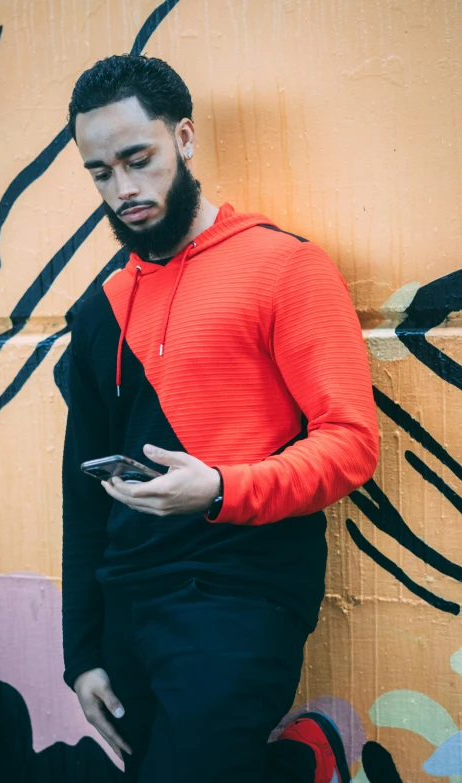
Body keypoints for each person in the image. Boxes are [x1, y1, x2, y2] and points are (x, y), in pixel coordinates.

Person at [62, 54, 379, 783]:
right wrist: (81, 654)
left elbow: (351, 442)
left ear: (185, 138)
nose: (124, 189)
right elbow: (81, 494)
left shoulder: (285, 267)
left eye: (137, 159)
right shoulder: (99, 310)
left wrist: (218, 490)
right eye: (101, 172)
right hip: (128, 601)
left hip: (242, 592)